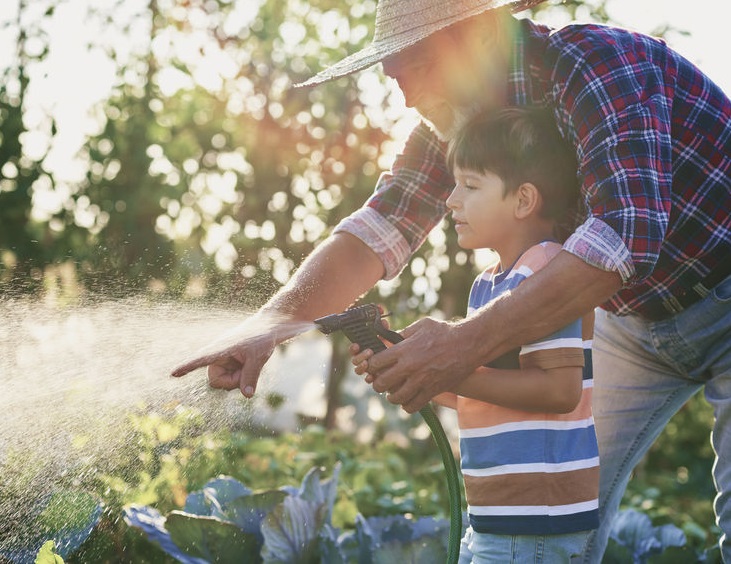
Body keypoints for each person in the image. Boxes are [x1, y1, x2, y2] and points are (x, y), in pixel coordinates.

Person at [172, 0, 731, 561]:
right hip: (634, 320)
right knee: (547, 518)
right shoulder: (462, 125)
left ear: (484, 35)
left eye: (421, 67)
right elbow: (382, 224)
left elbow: (623, 233)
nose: (409, 96)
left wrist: (463, 346)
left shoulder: (597, 67)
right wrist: (271, 324)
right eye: (395, 77)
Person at [372, 105, 600, 562]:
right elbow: (483, 396)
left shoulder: (548, 272)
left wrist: (447, 371)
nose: (452, 200)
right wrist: (405, 365)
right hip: (496, 517)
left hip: (536, 521)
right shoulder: (489, 285)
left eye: (471, 186)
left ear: (523, 200)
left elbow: (559, 390)